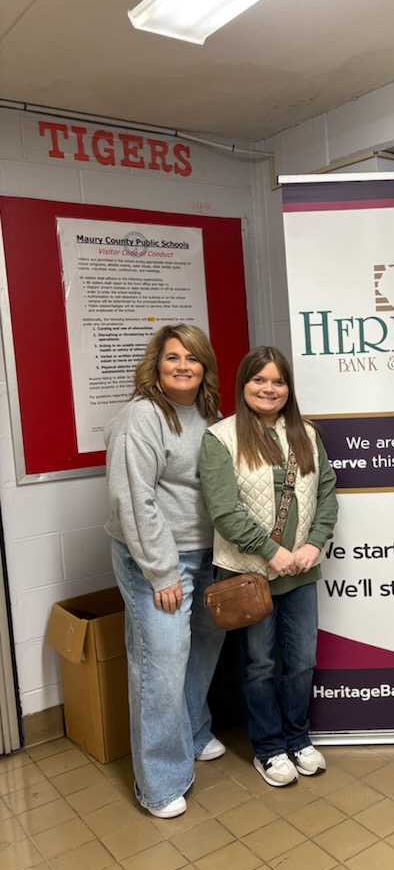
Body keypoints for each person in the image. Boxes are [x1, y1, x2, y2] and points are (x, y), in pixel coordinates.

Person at [199, 346, 338, 787]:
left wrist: (314, 544)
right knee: (259, 664)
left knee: (302, 661)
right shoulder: (220, 437)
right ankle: (269, 747)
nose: (269, 389)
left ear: (288, 388)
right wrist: (271, 551)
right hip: (250, 575)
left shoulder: (306, 434)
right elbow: (225, 511)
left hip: (301, 570)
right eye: (259, 380)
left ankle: (298, 738)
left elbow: (327, 494)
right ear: (244, 384)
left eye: (278, 381)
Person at [105, 324, 226, 819]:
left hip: (208, 553)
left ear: (204, 366)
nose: (183, 366)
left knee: (201, 649)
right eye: (173, 357)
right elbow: (135, 500)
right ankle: (159, 782)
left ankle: (193, 732)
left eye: (192, 358)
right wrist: (161, 573)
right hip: (157, 558)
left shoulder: (209, 413)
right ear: (157, 364)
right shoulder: (142, 416)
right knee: (162, 663)